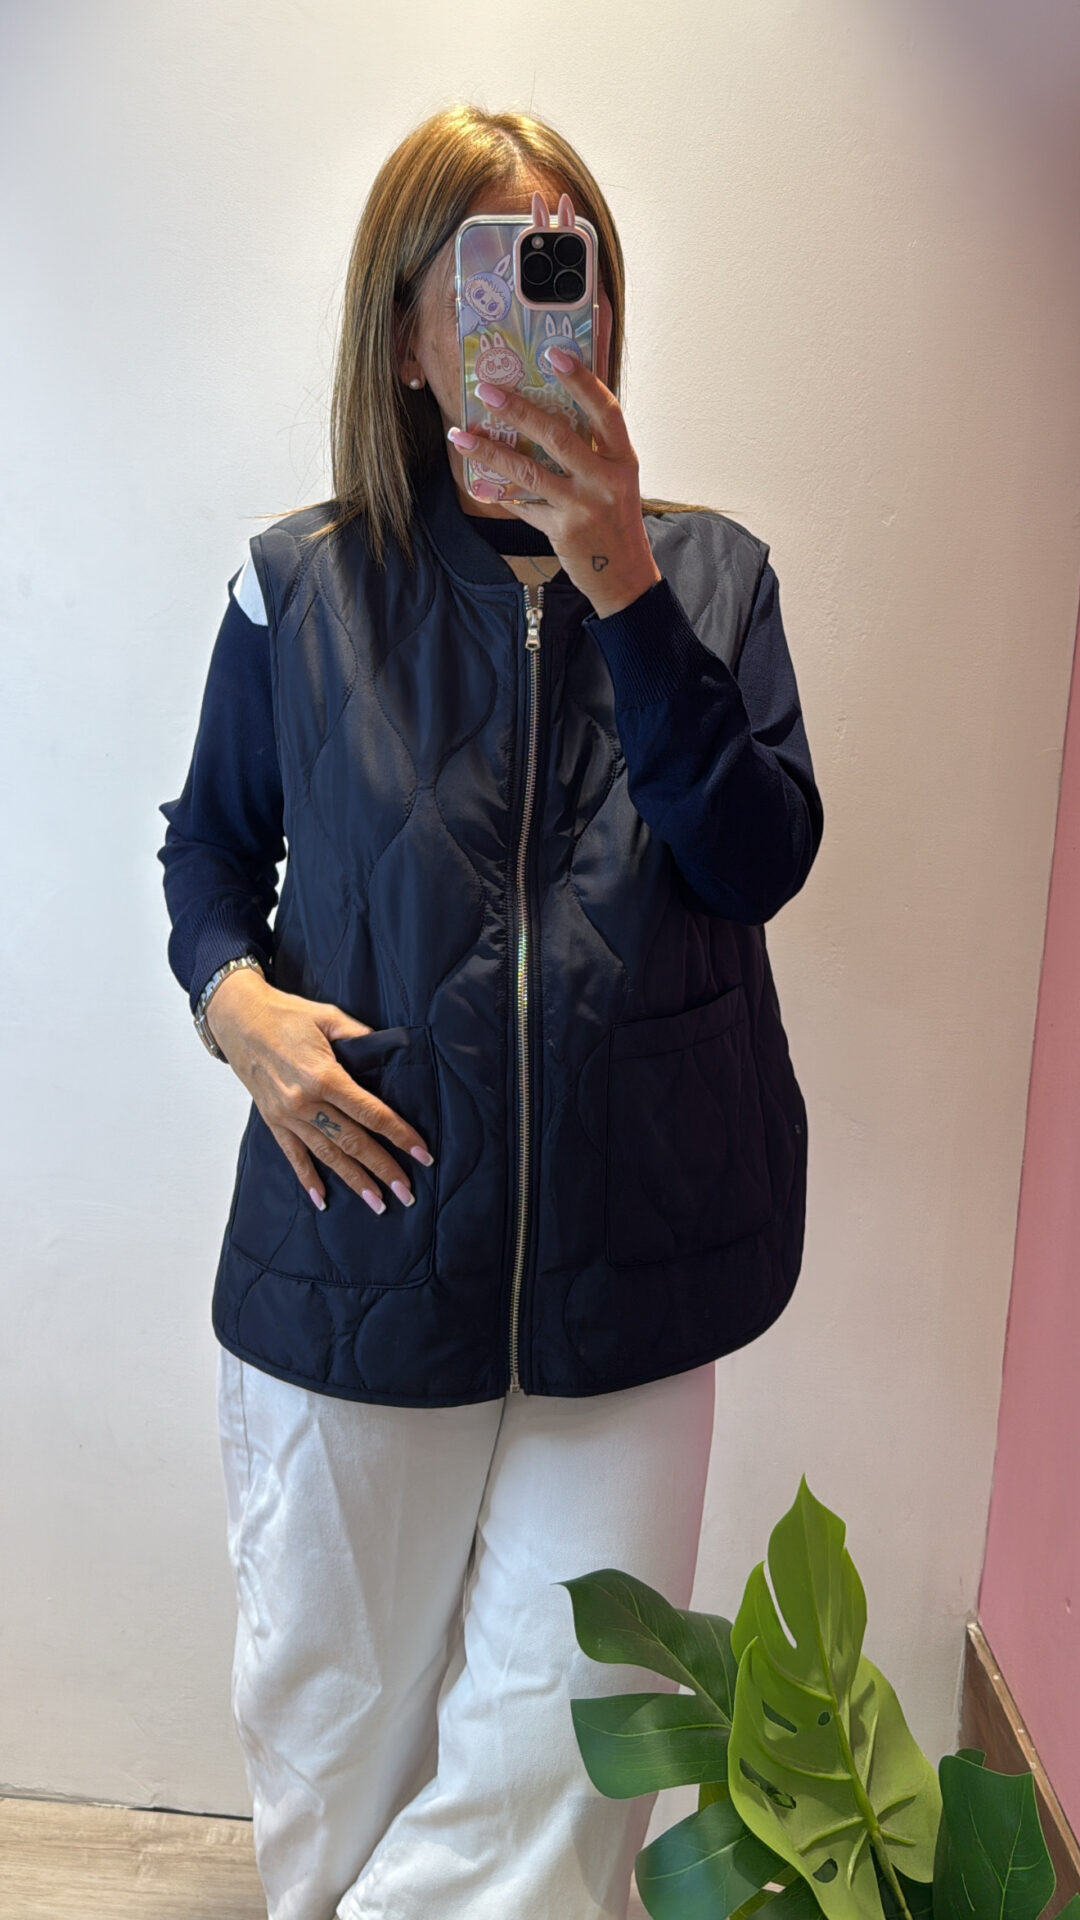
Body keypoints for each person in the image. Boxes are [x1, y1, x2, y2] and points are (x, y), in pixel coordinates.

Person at [157, 103, 823, 1920]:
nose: (539, 310)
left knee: (563, 1770)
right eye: (489, 271)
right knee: (335, 1745)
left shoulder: (713, 577)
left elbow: (757, 859)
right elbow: (208, 847)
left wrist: (622, 583)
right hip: (356, 1242)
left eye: (567, 267)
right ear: (405, 330)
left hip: (637, 1251)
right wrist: (235, 1006)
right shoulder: (297, 586)